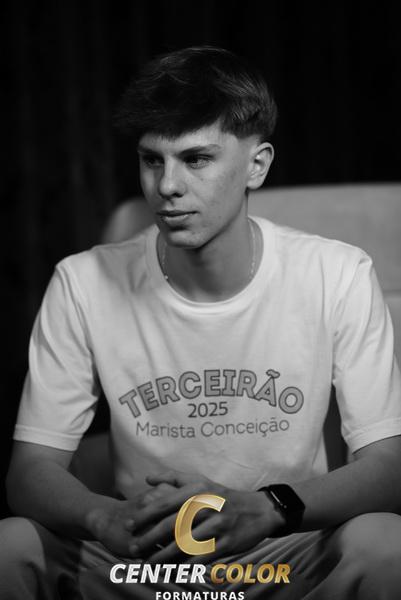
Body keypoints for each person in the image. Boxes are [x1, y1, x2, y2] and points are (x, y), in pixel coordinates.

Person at [1, 45, 401, 600]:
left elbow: (388, 466)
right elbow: (29, 472)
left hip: (283, 548)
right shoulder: (82, 281)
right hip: (144, 559)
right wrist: (102, 516)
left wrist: (268, 507)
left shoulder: (337, 273)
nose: (167, 186)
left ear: (257, 165)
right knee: (11, 545)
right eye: (152, 160)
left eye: (196, 160)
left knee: (387, 544)